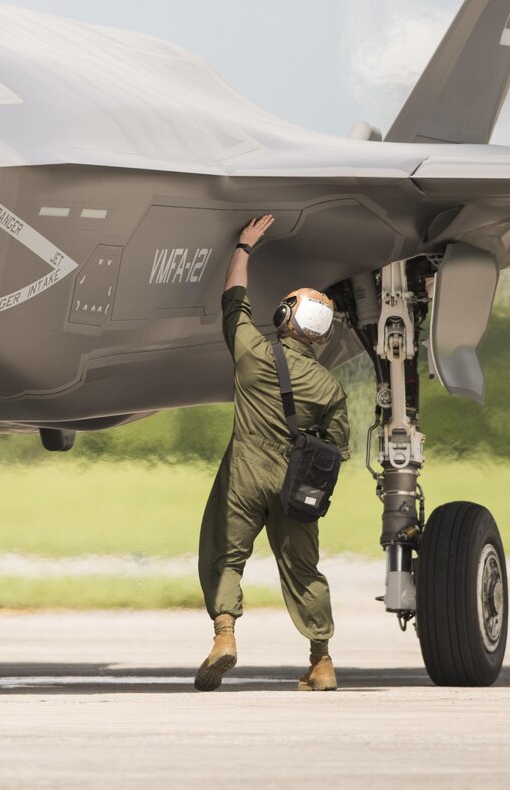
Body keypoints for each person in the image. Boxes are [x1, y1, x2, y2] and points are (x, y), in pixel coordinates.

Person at [194, 212, 352, 694]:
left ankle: (225, 636)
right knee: (304, 570)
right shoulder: (329, 387)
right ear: (320, 337)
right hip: (295, 488)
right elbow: (339, 445)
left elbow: (233, 302)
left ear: (285, 319)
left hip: (243, 475)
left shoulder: (251, 353)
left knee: (223, 554)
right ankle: (321, 661)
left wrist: (243, 247)